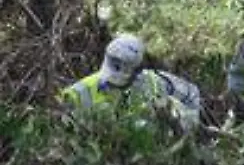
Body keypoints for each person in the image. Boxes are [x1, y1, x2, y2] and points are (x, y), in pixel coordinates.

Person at [63, 33, 204, 133]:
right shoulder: (78, 93)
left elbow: (191, 94)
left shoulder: (155, 83)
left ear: (137, 71)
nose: (114, 85)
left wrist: (183, 123)